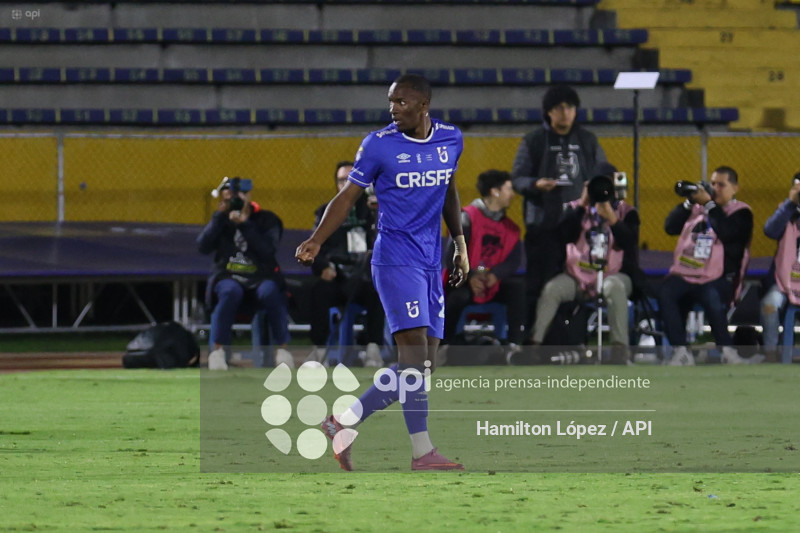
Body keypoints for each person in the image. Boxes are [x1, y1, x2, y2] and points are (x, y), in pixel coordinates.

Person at [296, 73, 469, 471]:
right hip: (394, 260)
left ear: (424, 104)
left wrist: (459, 245)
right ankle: (422, 452)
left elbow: (449, 189)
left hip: (430, 261)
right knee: (411, 359)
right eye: (391, 101)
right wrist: (317, 239)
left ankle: (342, 422)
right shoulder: (378, 145)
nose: (393, 109)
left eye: (402, 102)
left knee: (424, 365)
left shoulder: (450, 139)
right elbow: (346, 198)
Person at [511, 84, 607, 337]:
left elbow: (600, 172)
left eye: (570, 107)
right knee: (538, 286)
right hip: (543, 226)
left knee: (575, 284)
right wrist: (535, 185)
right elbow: (517, 179)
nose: (565, 112)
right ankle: (533, 339)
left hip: (580, 228)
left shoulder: (588, 140)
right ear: (548, 112)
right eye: (559, 107)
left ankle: (570, 338)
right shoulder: (533, 140)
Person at [527, 163, 641, 364]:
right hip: (576, 276)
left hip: (613, 275)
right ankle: (534, 346)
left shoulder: (627, 212)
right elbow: (564, 236)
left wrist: (612, 218)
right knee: (552, 290)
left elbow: (629, 244)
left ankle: (619, 351)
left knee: (614, 287)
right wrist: (583, 205)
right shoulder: (573, 209)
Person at [659, 166, 761, 365]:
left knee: (710, 296)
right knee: (666, 292)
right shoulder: (697, 210)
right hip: (686, 273)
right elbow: (669, 227)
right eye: (713, 184)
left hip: (721, 277)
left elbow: (728, 232)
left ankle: (727, 350)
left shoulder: (742, 213)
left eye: (721, 185)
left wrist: (709, 204)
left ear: (735, 188)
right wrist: (689, 202)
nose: (715, 188)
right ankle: (680, 351)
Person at [198, 176, 293, 370]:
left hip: (260, 276)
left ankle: (283, 350)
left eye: (240, 195)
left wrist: (244, 224)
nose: (237, 200)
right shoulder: (222, 220)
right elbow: (203, 246)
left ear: (249, 195)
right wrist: (219, 216)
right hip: (229, 275)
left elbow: (268, 250)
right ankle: (217, 351)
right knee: (230, 291)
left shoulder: (267, 219)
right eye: (232, 196)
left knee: (270, 291)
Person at [306, 160, 384, 366]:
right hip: (337, 276)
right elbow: (314, 246)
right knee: (318, 290)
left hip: (365, 276)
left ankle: (373, 349)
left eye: (350, 179)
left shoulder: (374, 210)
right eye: (341, 180)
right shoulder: (325, 212)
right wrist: (323, 267)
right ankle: (319, 350)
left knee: (379, 290)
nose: (346, 184)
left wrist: (376, 212)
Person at [442, 169, 525, 352]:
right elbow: (452, 256)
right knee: (458, 296)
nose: (513, 195)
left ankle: (513, 345)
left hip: (490, 282)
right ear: (495, 191)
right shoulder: (466, 218)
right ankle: (444, 344)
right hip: (464, 279)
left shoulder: (510, 228)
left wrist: (495, 275)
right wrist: (471, 276)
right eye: (509, 189)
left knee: (518, 288)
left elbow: (513, 260)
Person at [759, 172, 800, 360]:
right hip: (784, 282)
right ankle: (770, 352)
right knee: (769, 305)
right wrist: (790, 203)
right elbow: (770, 230)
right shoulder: (785, 212)